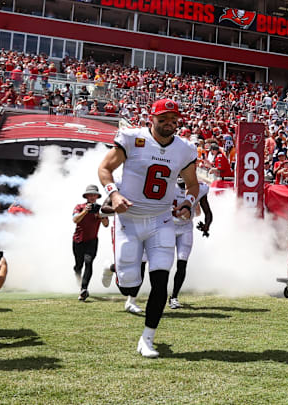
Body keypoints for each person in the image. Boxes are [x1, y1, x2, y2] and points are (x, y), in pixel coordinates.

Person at [97, 98, 200, 358]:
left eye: (173, 119)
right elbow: (105, 168)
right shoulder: (133, 138)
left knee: (160, 281)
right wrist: (114, 194)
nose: (168, 124)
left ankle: (147, 338)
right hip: (129, 220)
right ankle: (115, 270)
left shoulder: (185, 149)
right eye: (163, 118)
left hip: (161, 220)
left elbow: (193, 185)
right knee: (130, 284)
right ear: (151, 118)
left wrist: (188, 203)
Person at [168, 178, 212, 309]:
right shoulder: (168, 184)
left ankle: (174, 297)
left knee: (182, 263)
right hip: (167, 227)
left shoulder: (199, 188)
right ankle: (158, 293)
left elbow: (207, 211)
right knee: (164, 263)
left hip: (185, 228)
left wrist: (207, 225)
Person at [72, 184, 109, 301]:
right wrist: (85, 211)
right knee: (79, 265)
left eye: (95, 195)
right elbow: (75, 219)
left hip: (92, 241)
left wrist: (100, 215)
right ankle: (78, 279)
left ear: (97, 196)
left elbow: (106, 224)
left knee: (88, 262)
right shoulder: (79, 207)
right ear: (86, 196)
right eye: (90, 195)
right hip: (78, 240)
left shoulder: (101, 208)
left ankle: (83, 289)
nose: (92, 197)